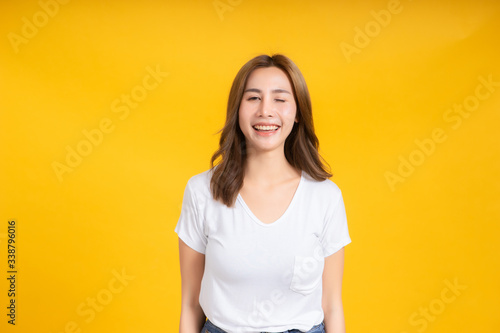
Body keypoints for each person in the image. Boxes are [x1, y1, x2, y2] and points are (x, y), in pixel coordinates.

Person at [175, 54, 351, 333]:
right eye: (253, 98)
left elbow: (332, 305)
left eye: (280, 99)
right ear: (237, 110)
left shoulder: (325, 197)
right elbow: (190, 305)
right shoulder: (201, 192)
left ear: (297, 114)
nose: (266, 111)